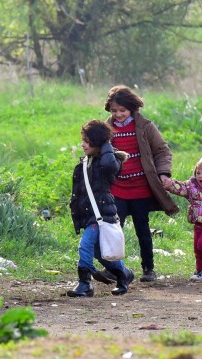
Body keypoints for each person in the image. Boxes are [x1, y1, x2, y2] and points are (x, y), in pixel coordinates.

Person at [97, 85, 179, 284]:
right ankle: (114, 269)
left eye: (122, 110)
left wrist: (163, 173)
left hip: (141, 188)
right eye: (114, 111)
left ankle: (148, 269)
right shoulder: (106, 130)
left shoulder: (145, 127)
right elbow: (97, 151)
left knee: (143, 229)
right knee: (115, 228)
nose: (118, 114)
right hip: (117, 188)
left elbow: (162, 150)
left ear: (132, 109)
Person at [67, 120, 134, 297]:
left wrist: (106, 145)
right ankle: (123, 274)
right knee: (100, 253)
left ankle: (84, 283)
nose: (83, 144)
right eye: (83, 140)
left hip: (102, 214)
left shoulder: (109, 162)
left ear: (98, 142)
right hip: (91, 214)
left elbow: (110, 166)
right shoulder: (87, 161)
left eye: (88, 140)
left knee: (85, 245)